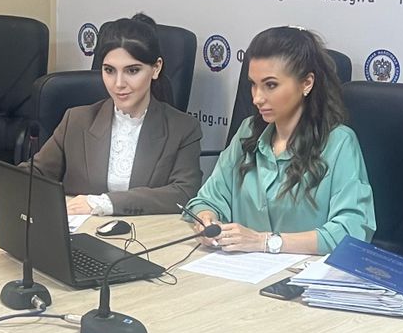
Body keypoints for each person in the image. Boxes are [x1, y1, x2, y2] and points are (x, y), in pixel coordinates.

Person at [185, 26, 374, 254]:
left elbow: (350, 232)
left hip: (303, 272)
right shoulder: (247, 131)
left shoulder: (339, 143)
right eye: (253, 84)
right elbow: (207, 199)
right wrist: (207, 219)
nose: (257, 98)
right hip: (238, 268)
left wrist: (265, 242)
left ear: (307, 83)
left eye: (271, 85)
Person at [31, 13, 203, 215]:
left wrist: (104, 203)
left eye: (132, 71)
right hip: (80, 231)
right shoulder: (76, 120)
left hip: (146, 232)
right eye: (109, 70)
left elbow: (184, 193)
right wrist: (8, 187)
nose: (119, 83)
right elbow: (36, 173)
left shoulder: (183, 128)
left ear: (156, 68)